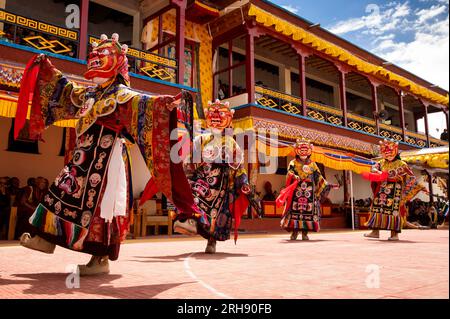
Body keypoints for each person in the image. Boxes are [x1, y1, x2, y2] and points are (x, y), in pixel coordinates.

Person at [15, 33, 199, 275]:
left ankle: (99, 259)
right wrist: (46, 67)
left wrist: (167, 103)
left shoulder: (121, 94)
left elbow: (145, 104)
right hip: (82, 158)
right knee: (60, 191)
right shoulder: (90, 95)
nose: (95, 57)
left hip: (106, 160)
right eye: (95, 53)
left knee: (102, 208)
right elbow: (65, 90)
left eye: (102, 54)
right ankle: (46, 238)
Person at [172, 100, 260, 254]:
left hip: (220, 185)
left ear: (228, 120)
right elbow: (189, 162)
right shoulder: (201, 139)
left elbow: (238, 168)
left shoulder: (232, 143)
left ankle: (211, 241)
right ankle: (188, 221)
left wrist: (243, 183)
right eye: (213, 116)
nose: (216, 119)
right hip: (201, 179)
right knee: (192, 195)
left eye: (221, 116)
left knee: (216, 216)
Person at [276, 139, 339, 241]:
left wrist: (328, 185)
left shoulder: (313, 164)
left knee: (308, 212)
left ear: (310, 150)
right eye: (301, 149)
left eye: (306, 149)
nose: (304, 151)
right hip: (297, 191)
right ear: (297, 150)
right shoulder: (293, 163)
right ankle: (294, 232)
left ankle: (305, 233)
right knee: (295, 210)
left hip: (309, 193)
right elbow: (289, 173)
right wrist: (294, 176)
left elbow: (319, 177)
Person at [363, 139, 424, 241]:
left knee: (394, 213)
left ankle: (394, 234)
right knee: (377, 210)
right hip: (381, 191)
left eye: (390, 151)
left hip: (396, 192)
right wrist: (378, 172)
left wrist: (396, 176)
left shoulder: (401, 164)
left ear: (395, 151)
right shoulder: (381, 162)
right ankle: (375, 232)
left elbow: (410, 177)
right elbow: (373, 169)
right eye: (385, 152)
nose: (388, 154)